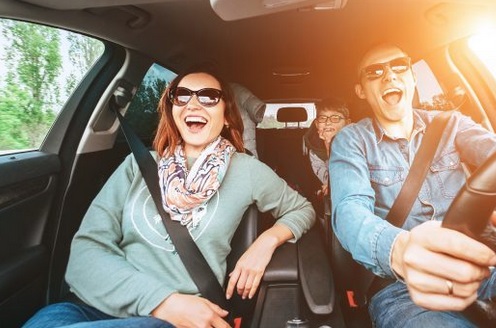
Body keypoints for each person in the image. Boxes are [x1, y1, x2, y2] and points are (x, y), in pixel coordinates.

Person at [328, 43, 496, 327]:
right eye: (375, 72)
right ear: (361, 90)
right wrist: (401, 250)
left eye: (399, 66)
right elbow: (349, 210)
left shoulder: (450, 125)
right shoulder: (352, 140)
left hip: (485, 267)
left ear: (412, 77)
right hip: (404, 289)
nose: (390, 76)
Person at [24, 68, 315, 328]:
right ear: (172, 110)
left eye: (209, 96)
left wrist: (265, 242)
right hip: (89, 308)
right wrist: (161, 299)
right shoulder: (137, 165)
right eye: (182, 95)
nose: (193, 103)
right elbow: (86, 253)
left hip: (176, 319)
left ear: (227, 116)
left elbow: (302, 209)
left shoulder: (247, 170)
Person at [303, 97, 351, 198]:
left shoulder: (359, 142)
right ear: (317, 124)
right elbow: (329, 181)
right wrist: (328, 144)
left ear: (347, 123)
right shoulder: (315, 151)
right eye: (322, 118)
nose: (328, 122)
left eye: (335, 118)